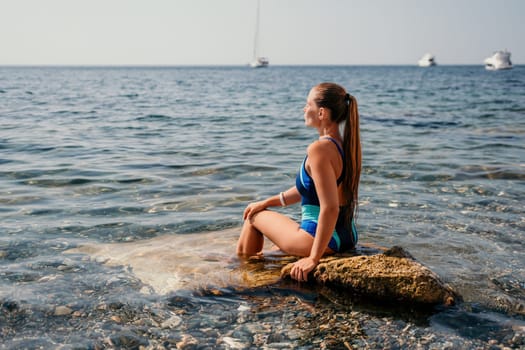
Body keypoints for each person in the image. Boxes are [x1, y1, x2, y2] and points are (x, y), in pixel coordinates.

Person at [236, 82, 362, 282]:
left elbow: (329, 208)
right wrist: (266, 202)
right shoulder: (346, 145)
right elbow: (307, 190)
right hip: (347, 236)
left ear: (321, 113)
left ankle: (245, 274)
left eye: (307, 104)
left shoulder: (319, 149)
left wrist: (313, 258)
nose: (304, 109)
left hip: (320, 239)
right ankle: (254, 264)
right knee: (262, 215)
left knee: (253, 216)